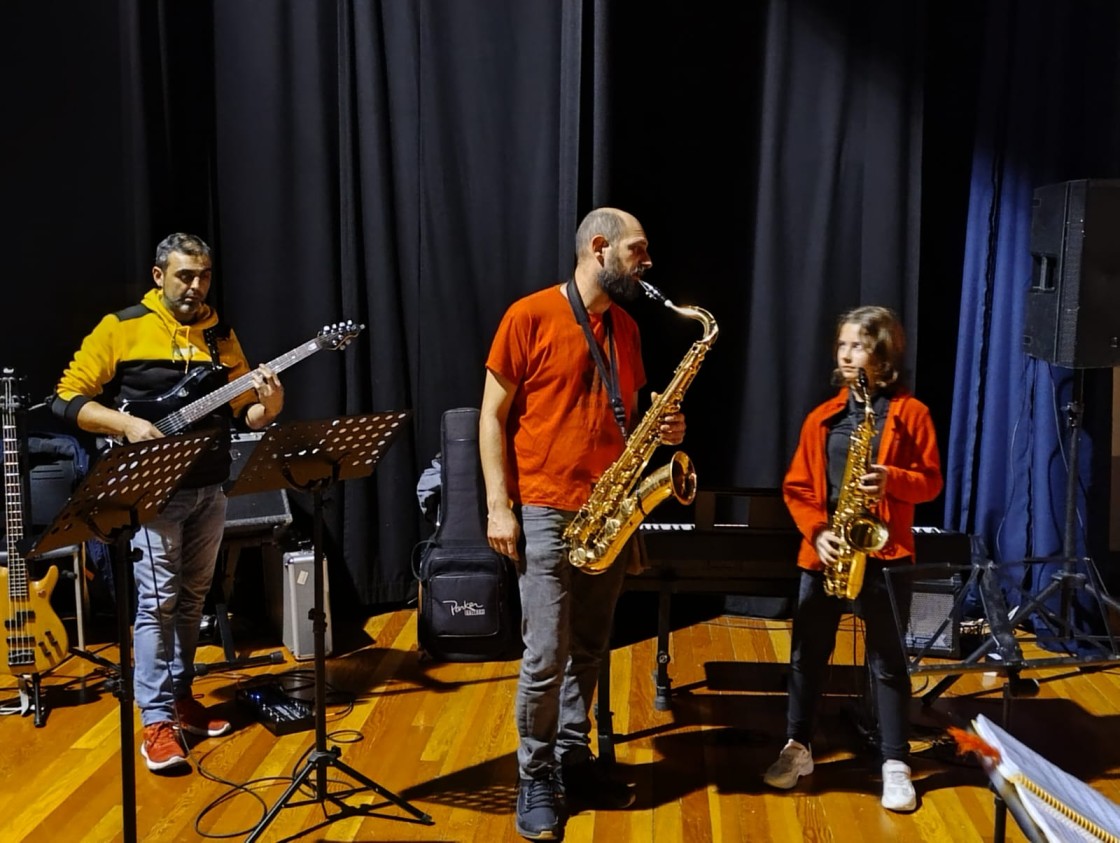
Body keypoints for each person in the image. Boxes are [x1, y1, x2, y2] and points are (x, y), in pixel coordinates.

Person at [480, 207, 686, 840]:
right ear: (600, 248)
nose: (647, 263)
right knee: (545, 654)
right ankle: (534, 775)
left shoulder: (626, 327)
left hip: (610, 511)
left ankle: (572, 754)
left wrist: (668, 432)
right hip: (546, 506)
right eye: (638, 251)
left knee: (592, 648)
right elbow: (492, 416)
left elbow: (628, 419)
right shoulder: (528, 315)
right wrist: (497, 505)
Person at [51, 232, 284, 773]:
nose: (196, 286)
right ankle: (155, 720)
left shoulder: (219, 332)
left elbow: (246, 412)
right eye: (185, 275)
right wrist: (127, 423)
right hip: (153, 493)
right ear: (159, 276)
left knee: (195, 597)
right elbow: (67, 398)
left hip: (210, 485)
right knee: (157, 604)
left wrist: (269, 403)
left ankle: (181, 698)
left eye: (203, 275)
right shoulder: (122, 327)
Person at [764, 305, 942, 813]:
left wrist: (893, 480)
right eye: (841, 345)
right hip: (826, 552)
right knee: (806, 656)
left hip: (886, 553)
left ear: (883, 355)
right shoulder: (823, 417)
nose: (845, 354)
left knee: (887, 662)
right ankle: (797, 748)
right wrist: (817, 532)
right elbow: (796, 487)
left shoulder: (912, 414)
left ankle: (895, 762)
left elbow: (931, 482)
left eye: (857, 346)